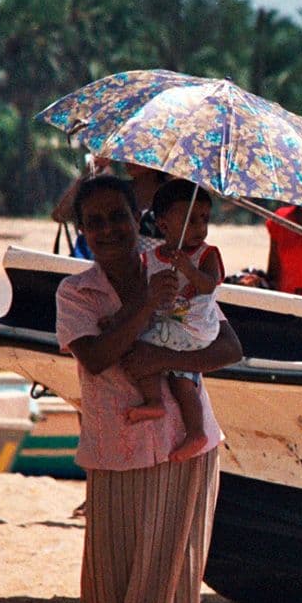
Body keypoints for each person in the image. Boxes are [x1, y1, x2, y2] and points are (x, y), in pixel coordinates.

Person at [55, 174, 242, 603]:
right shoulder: (76, 294)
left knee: (168, 583)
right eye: (97, 221)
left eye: (118, 216)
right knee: (105, 588)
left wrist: (159, 354)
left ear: (137, 217)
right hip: (117, 448)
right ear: (83, 231)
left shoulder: (171, 263)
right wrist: (144, 309)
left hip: (187, 445)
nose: (109, 228)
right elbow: (98, 358)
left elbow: (229, 347)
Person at [120, 179, 225, 461]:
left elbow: (208, 286)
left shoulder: (207, 255)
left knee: (148, 350)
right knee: (174, 372)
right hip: (169, 324)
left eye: (204, 219)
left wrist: (189, 271)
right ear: (163, 225)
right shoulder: (150, 257)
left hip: (194, 327)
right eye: (191, 220)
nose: (200, 228)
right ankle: (162, 406)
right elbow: (141, 295)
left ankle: (190, 428)